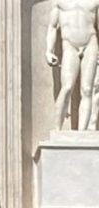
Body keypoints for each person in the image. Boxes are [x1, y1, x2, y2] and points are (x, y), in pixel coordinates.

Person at [46, 0, 99, 130]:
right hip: (69, 45)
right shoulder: (59, 2)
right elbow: (52, 27)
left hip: (90, 43)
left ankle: (83, 133)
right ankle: (57, 130)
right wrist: (49, 51)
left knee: (87, 89)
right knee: (67, 87)